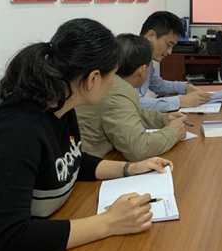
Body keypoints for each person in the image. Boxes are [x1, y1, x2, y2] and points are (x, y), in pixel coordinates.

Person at [0, 19, 173, 251]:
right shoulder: (17, 132)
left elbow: (73, 161)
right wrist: (109, 222)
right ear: (93, 78)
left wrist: (130, 168)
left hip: (48, 227)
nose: (114, 83)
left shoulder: (62, 105)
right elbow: (5, 239)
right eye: (113, 75)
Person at [77, 34, 189, 162]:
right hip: (89, 164)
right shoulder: (118, 92)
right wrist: (174, 132)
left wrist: (163, 119)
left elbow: (131, 114)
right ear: (142, 70)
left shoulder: (113, 82)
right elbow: (140, 149)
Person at [137, 11, 211, 112]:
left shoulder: (147, 59)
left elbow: (158, 85)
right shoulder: (129, 58)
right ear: (151, 36)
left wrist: (186, 87)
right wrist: (181, 101)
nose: (169, 52)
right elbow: (133, 104)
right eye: (168, 45)